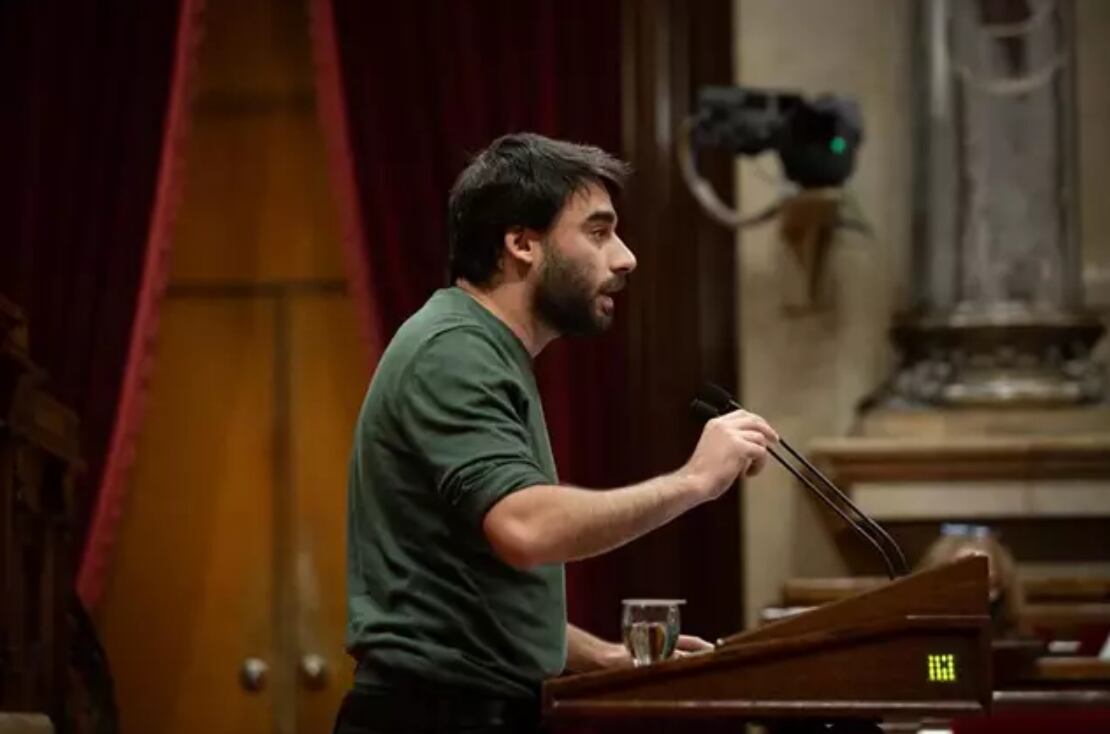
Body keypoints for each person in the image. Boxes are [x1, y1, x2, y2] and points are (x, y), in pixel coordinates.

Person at [333, 133, 778, 734]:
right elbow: (526, 529)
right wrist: (695, 480)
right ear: (521, 243)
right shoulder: (456, 351)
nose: (625, 258)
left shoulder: (481, 348)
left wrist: (602, 657)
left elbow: (467, 586)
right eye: (598, 233)